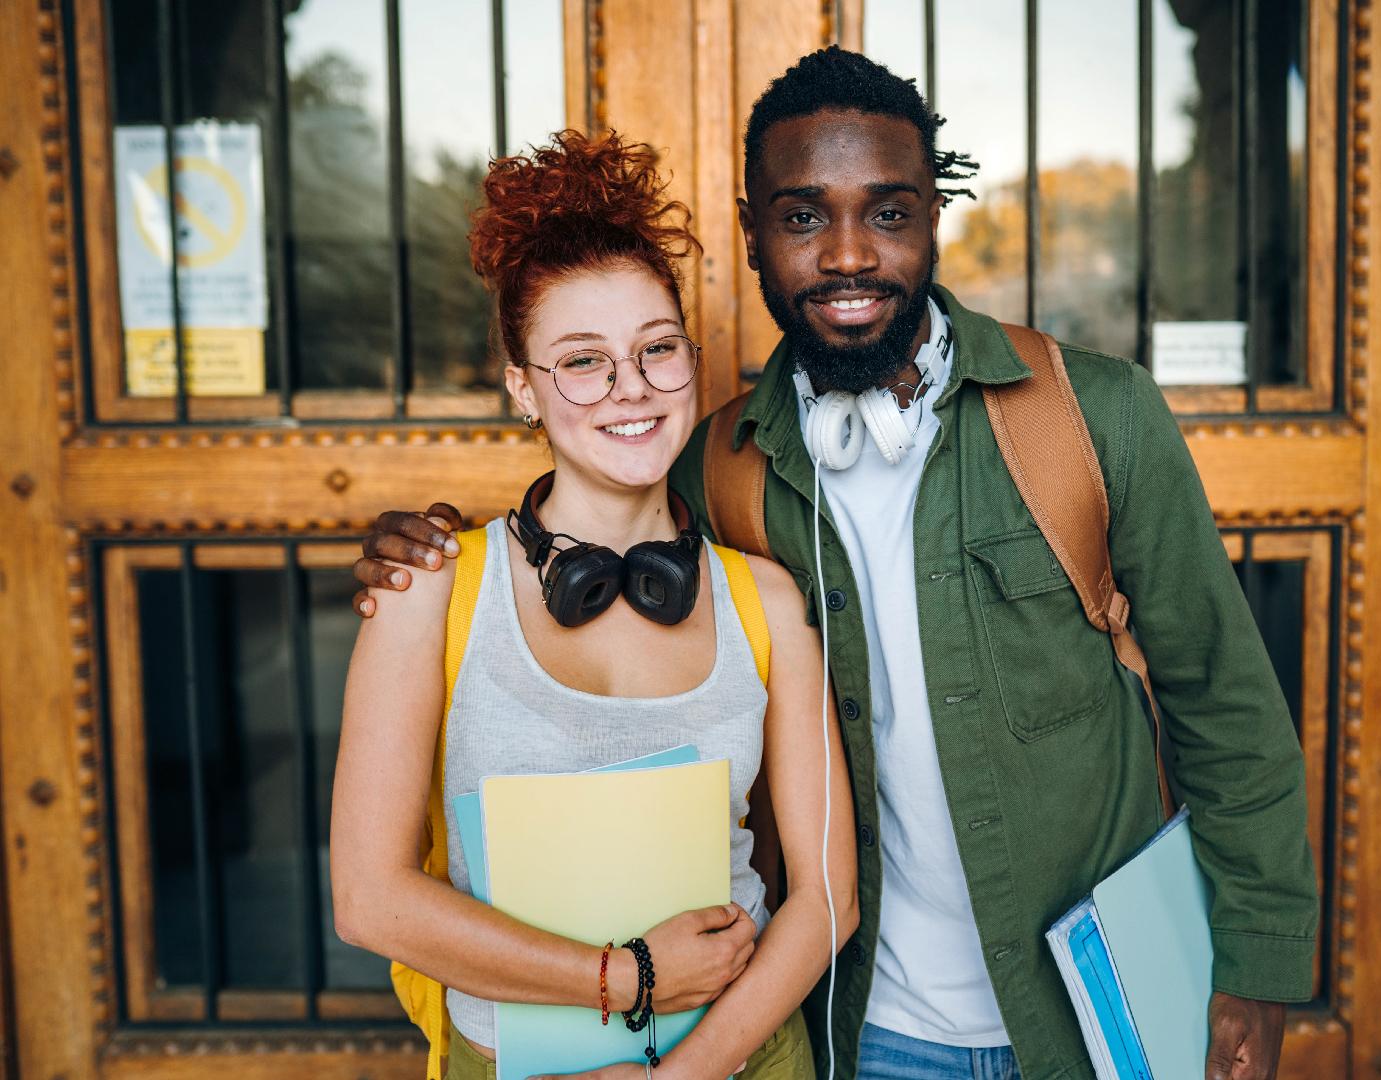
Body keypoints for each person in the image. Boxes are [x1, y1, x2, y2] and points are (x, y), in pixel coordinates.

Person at [353, 49, 1318, 1080]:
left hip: (1089, 1020)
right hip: (861, 1030)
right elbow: (593, 493)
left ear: (934, 218)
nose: (849, 254)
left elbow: (1224, 702)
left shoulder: (1097, 416)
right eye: (805, 217)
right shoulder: (716, 462)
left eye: (889, 213)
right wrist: (427, 553)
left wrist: (1256, 966)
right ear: (754, 234)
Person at [331, 129, 858, 1080]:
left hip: (740, 1062)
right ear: (522, 389)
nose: (632, 389)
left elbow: (828, 901)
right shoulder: (429, 590)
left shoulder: (767, 601)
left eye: (657, 349)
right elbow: (370, 899)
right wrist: (623, 977)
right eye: (583, 361)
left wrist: (681, 1077)